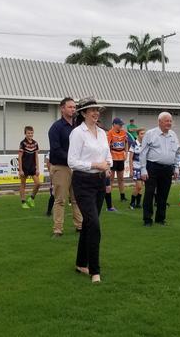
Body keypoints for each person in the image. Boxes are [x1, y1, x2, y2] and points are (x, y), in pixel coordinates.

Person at [68, 97, 111, 284]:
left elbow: (107, 155)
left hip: (99, 182)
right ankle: (95, 270)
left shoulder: (102, 133)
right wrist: (95, 164)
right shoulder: (77, 133)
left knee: (88, 224)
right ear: (83, 113)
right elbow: (72, 161)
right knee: (94, 225)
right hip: (83, 182)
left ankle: (80, 263)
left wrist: (107, 165)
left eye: (97, 110)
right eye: (91, 110)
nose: (95, 113)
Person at [48, 97, 82, 237]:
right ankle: (58, 229)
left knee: (76, 199)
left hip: (77, 167)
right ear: (62, 109)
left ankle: (80, 226)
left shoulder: (78, 127)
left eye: (74, 107)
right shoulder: (56, 128)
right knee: (60, 200)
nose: (73, 109)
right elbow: (56, 149)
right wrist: (72, 159)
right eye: (70, 107)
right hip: (61, 167)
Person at [139, 112, 180, 226]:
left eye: (170, 121)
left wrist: (176, 167)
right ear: (159, 122)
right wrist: (143, 169)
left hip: (168, 168)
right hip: (152, 167)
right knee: (149, 193)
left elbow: (177, 152)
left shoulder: (173, 135)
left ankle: (160, 218)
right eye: (166, 120)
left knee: (164, 194)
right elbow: (143, 153)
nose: (169, 123)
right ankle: (147, 219)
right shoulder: (150, 134)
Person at [18, 126, 40, 209]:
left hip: (32, 167)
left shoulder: (35, 143)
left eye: (31, 133)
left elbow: (36, 156)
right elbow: (19, 157)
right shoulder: (22, 143)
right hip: (24, 167)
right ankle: (23, 202)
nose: (30, 134)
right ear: (25, 133)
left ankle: (31, 198)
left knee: (38, 183)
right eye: (28, 133)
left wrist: (37, 168)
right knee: (23, 184)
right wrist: (20, 170)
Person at [107, 118, 129, 203]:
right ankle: (108, 197)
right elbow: (107, 145)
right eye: (120, 124)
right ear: (114, 124)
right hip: (113, 158)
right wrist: (108, 157)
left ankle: (122, 196)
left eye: (121, 124)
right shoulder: (110, 133)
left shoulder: (124, 132)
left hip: (121, 159)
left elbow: (126, 142)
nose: (121, 126)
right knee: (111, 179)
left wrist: (126, 153)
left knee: (121, 178)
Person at [128, 128, 145, 210]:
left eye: (144, 134)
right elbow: (130, 158)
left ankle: (138, 203)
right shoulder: (134, 144)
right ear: (138, 135)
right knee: (138, 186)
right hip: (136, 168)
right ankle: (132, 203)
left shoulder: (145, 144)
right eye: (142, 134)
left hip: (143, 168)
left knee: (140, 187)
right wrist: (131, 170)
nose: (143, 135)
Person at [44, 152, 55, 216]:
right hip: (55, 174)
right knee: (53, 194)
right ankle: (49, 211)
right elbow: (48, 162)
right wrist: (51, 172)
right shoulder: (50, 152)